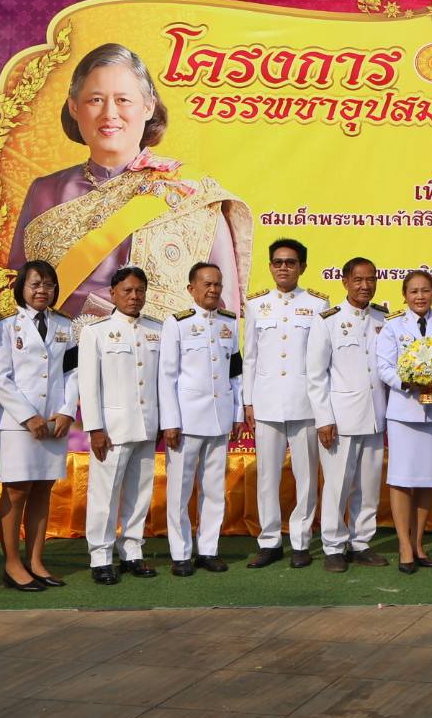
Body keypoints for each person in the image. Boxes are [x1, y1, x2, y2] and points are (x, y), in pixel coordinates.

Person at [8, 42, 251, 319]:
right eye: (95, 100)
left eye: (123, 100)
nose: (109, 113)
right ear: (74, 107)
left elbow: (223, 307)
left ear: (148, 107)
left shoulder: (190, 191)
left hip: (166, 356)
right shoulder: (45, 191)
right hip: (64, 357)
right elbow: (16, 293)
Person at [0, 259, 79, 592]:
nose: (43, 290)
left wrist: (67, 411)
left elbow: (73, 372)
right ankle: (12, 564)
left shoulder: (64, 325)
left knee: (43, 488)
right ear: (22, 288)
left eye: (49, 285)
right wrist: (29, 416)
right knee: (16, 490)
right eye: (36, 284)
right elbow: (0, 377)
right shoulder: (6, 324)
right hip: (19, 424)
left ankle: (37, 561)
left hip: (54, 422)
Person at [242, 238, 326, 570]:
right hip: (266, 402)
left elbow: (320, 359)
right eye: (277, 262)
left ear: (302, 267)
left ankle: (302, 540)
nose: (284, 268)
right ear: (270, 266)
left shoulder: (318, 305)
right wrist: (248, 402)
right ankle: (270, 540)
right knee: (268, 476)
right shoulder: (256, 304)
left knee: (306, 476)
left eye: (290, 262)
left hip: (305, 402)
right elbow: (249, 358)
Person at [78, 266, 164, 586]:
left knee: (140, 492)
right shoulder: (97, 331)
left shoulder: (157, 329)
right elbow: (89, 386)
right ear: (112, 293)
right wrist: (95, 428)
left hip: (147, 424)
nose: (134, 296)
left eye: (139, 290)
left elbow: (162, 382)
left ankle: (132, 551)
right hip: (112, 428)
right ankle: (100, 556)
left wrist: (165, 422)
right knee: (105, 494)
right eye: (127, 290)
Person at [307, 257, 390, 572]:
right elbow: (316, 375)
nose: (365, 285)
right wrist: (324, 418)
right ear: (345, 281)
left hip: (375, 415)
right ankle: (332, 545)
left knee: (368, 485)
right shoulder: (327, 320)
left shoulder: (383, 318)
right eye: (358, 279)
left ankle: (361, 541)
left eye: (370, 279)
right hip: (340, 419)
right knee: (338, 484)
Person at [159, 261, 242, 576]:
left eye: (217, 284)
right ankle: (180, 553)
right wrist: (170, 421)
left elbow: (235, 372)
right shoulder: (176, 323)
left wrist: (236, 415)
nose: (213, 290)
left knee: (212, 488)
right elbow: (166, 377)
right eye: (206, 284)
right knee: (180, 490)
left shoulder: (229, 322)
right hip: (186, 421)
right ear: (191, 288)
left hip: (219, 417)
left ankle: (208, 549)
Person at [376, 270, 432, 571]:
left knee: (427, 479)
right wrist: (408, 382)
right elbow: (383, 366)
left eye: (425, 290)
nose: (420, 296)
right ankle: (403, 547)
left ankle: (420, 544)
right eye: (414, 291)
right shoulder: (392, 326)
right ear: (404, 295)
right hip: (404, 412)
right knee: (401, 479)